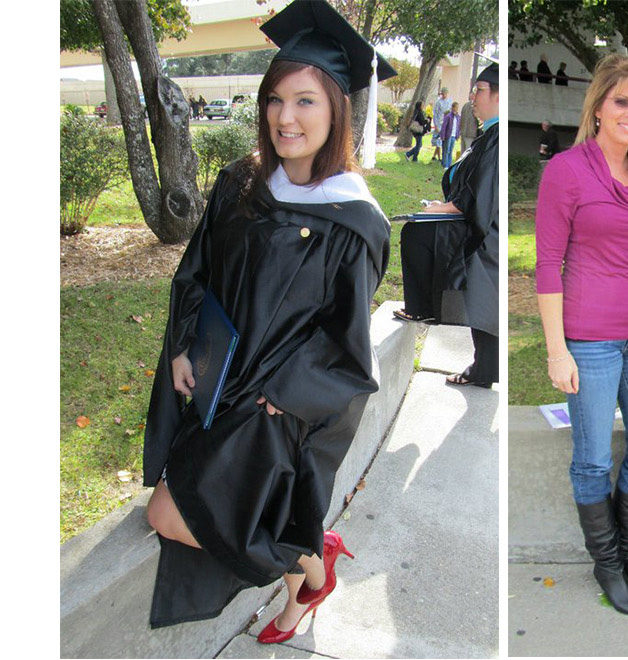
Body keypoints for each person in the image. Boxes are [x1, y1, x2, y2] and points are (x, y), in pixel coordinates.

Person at [140, 0, 393, 642]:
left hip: (271, 406)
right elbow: (196, 271)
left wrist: (283, 398)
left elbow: (346, 341)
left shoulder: (353, 220)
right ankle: (310, 565)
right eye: (276, 100)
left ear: (336, 108)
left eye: (306, 101)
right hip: (213, 379)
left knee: (167, 516)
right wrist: (183, 348)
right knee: (191, 507)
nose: (286, 117)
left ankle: (310, 561)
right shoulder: (241, 183)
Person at [535, 54, 628, 617]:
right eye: (622, 102)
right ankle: (607, 564)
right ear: (598, 107)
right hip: (586, 340)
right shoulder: (565, 170)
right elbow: (545, 265)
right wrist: (556, 349)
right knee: (592, 460)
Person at [406, 62, 502, 389]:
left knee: (417, 232)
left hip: (488, 235)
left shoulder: (497, 140)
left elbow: (477, 198)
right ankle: (484, 369)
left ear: (500, 95)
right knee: (488, 308)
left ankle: (421, 309)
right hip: (487, 229)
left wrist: (443, 208)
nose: (473, 97)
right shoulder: (492, 135)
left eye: (480, 91)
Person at [436, 101, 460, 168]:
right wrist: (443, 136)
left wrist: (457, 135)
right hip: (448, 135)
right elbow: (444, 127)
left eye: (457, 108)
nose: (456, 109)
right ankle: (445, 164)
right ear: (452, 107)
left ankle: (449, 165)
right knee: (446, 150)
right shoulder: (448, 116)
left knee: (450, 150)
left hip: (453, 136)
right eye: (455, 107)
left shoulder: (458, 117)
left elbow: (458, 127)